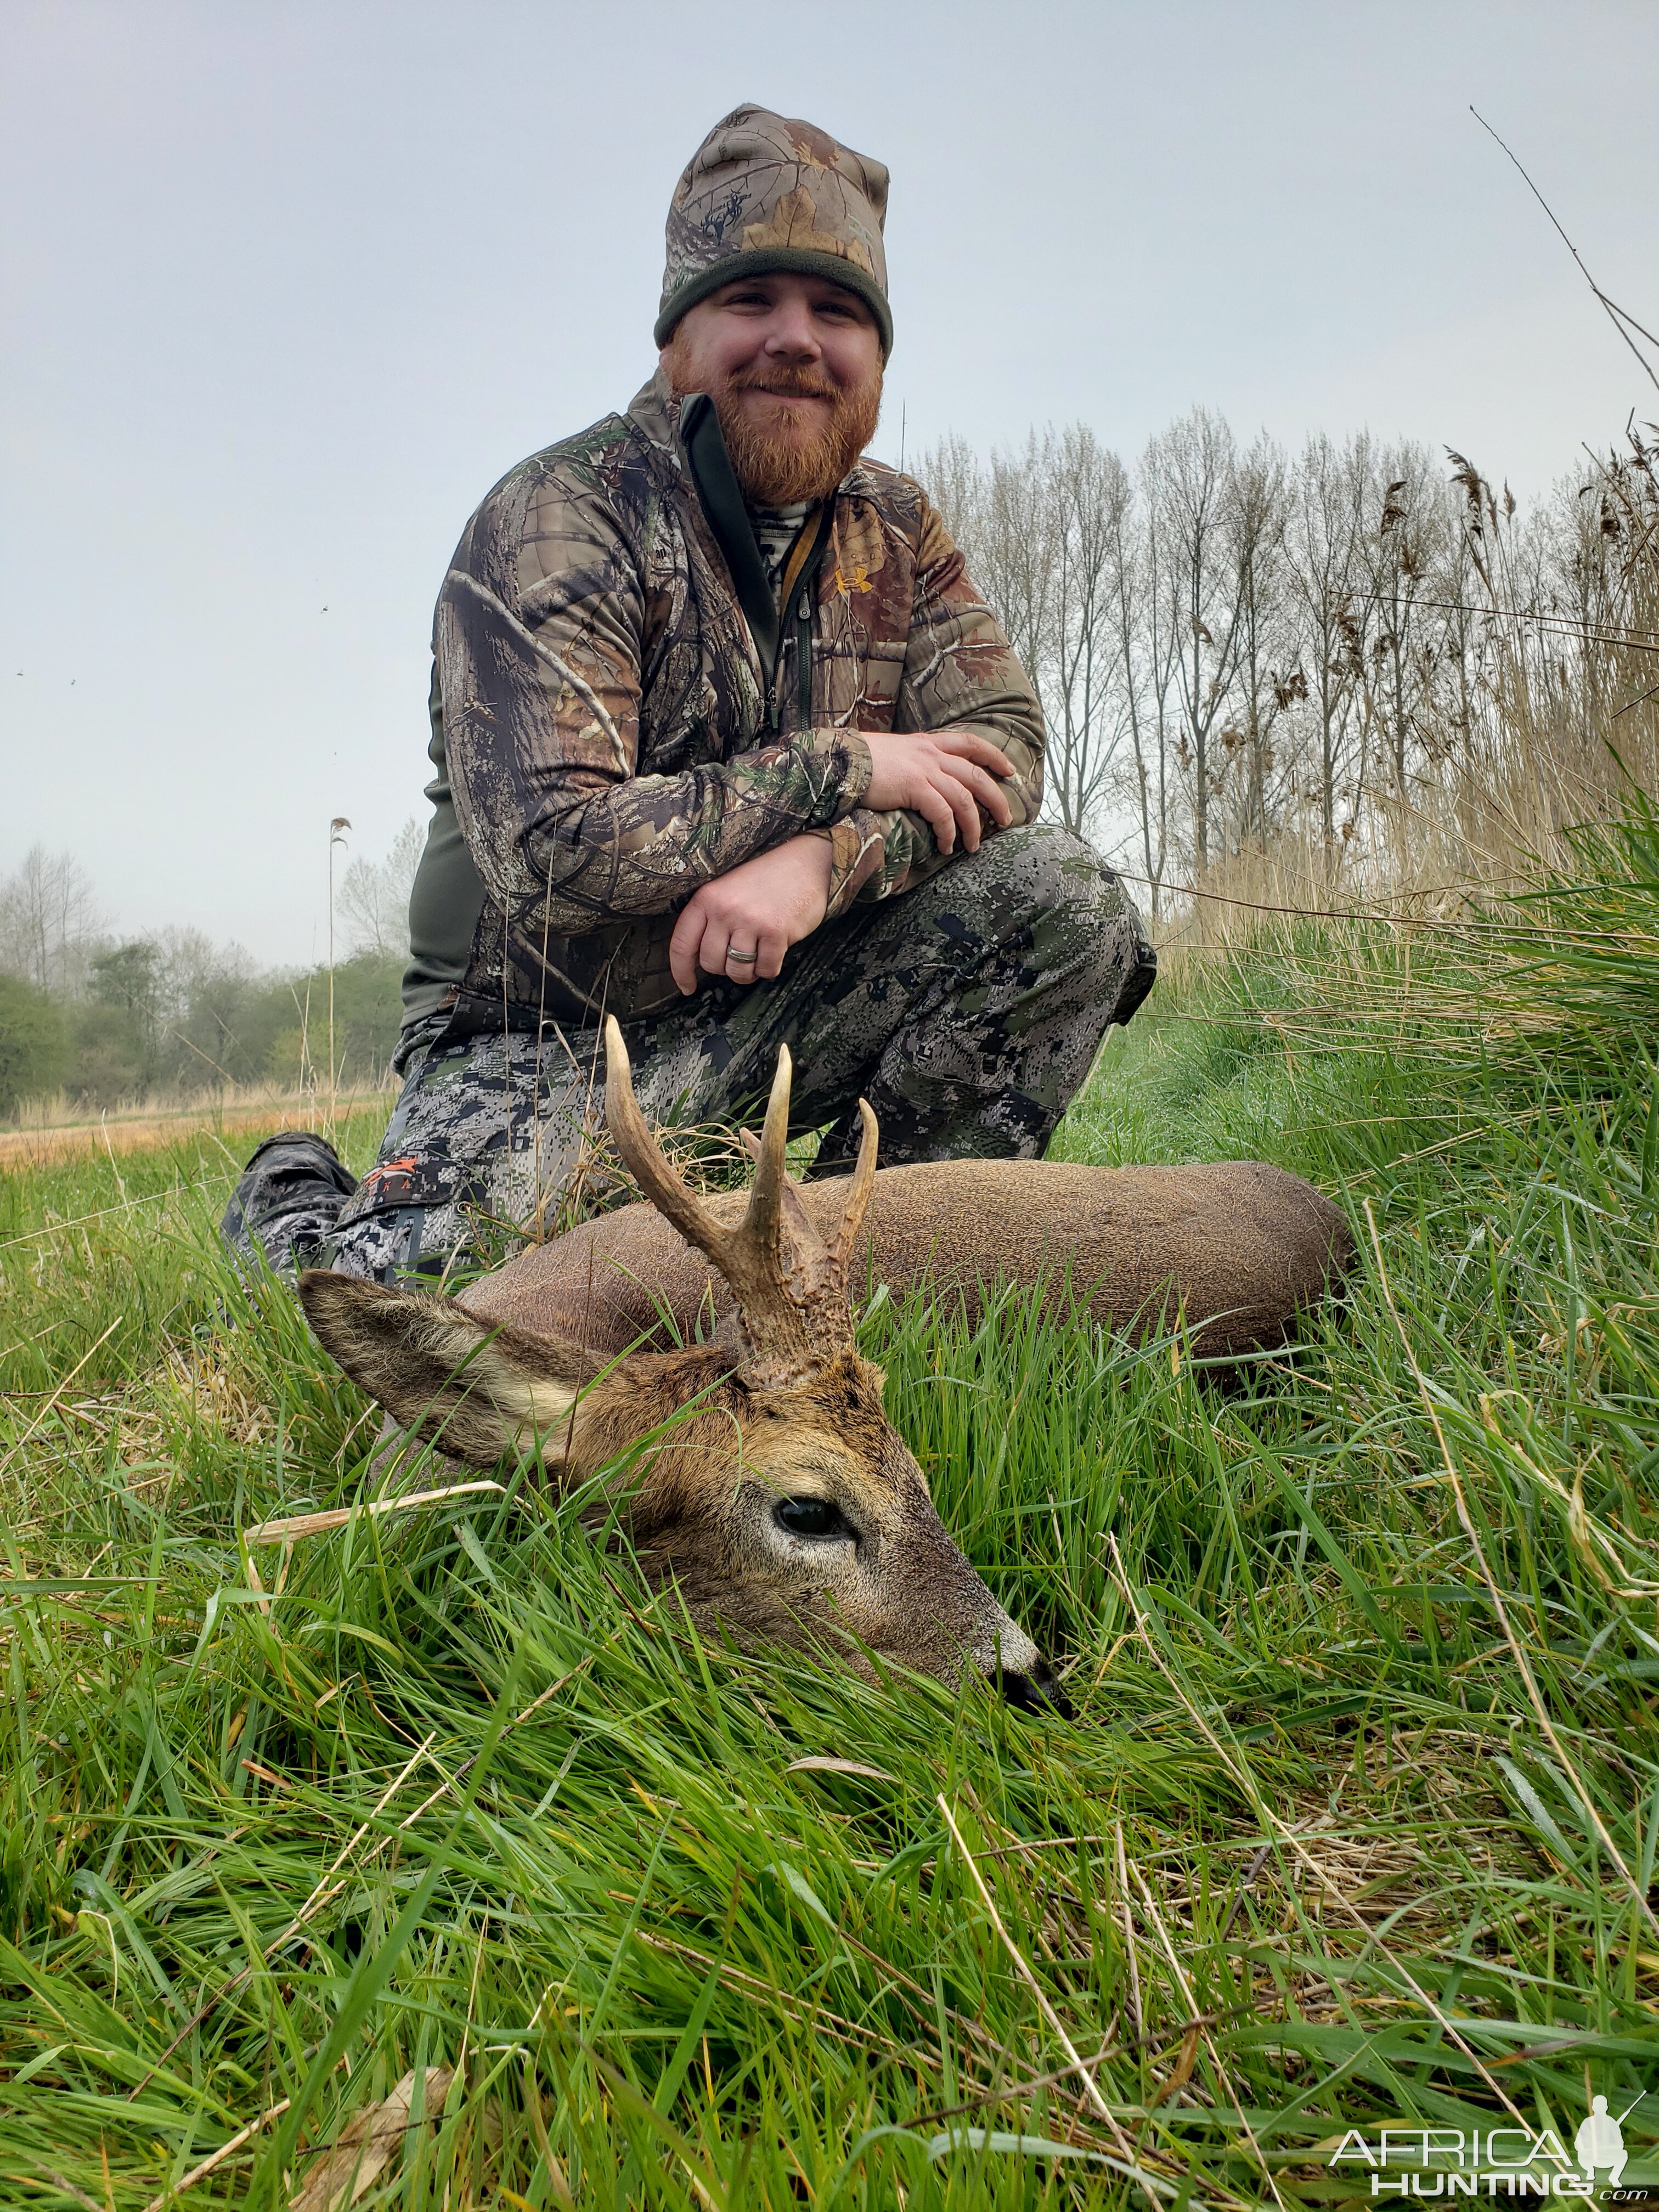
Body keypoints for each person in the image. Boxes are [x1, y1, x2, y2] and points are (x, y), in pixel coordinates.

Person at [223, 103, 1156, 1288]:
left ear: (877, 353)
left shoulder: (899, 527)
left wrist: (822, 864)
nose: (796, 342)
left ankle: (841, 1288)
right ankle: (297, 1194)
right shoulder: (559, 514)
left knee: (1063, 899)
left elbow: (1002, 749)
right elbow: (555, 855)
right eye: (750, 302)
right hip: (544, 1037)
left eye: (838, 312)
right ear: (679, 338)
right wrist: (847, 768)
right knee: (407, 1311)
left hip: (786, 986)